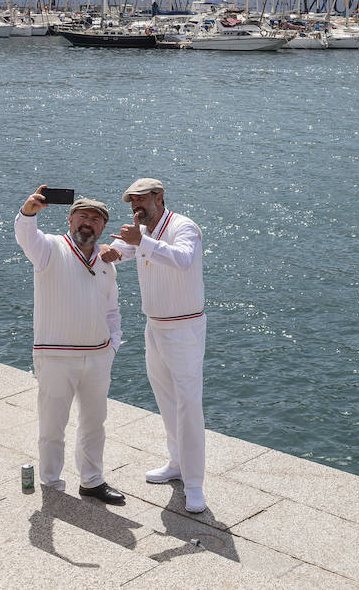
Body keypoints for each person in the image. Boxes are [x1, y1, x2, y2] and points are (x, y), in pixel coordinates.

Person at [100, 177, 207, 514]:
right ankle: (176, 463)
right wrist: (105, 253)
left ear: (159, 197)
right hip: (155, 326)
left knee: (188, 405)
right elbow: (123, 252)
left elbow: (183, 259)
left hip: (185, 328)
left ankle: (194, 485)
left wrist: (140, 243)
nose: (135, 207)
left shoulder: (183, 227)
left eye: (140, 200)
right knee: (166, 399)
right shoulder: (143, 231)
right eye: (131, 202)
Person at [14, 190, 125, 505]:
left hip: (98, 356)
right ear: (70, 219)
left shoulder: (105, 261)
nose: (88, 223)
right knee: (52, 425)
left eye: (95, 219)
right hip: (55, 356)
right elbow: (25, 235)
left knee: (94, 424)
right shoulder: (48, 248)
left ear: (102, 227)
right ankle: (51, 483)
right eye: (83, 216)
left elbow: (112, 309)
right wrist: (29, 211)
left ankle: (92, 481)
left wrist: (112, 345)